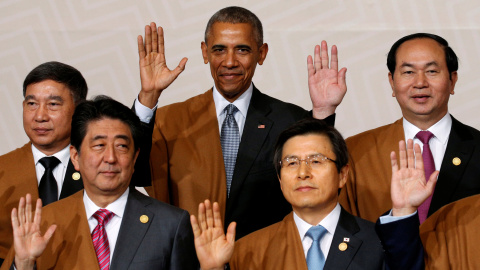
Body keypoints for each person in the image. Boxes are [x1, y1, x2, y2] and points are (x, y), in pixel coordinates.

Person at [133, 6, 347, 239]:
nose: (230, 61)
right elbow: (135, 173)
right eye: (219, 50)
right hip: (189, 258)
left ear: (261, 53)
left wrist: (324, 112)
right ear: (205, 53)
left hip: (265, 258)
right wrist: (148, 96)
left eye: (242, 50)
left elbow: (320, 182)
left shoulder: (291, 120)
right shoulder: (169, 120)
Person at [191, 119, 428, 270]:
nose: (303, 173)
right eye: (291, 163)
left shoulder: (378, 242)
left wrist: (404, 210)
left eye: (316, 161)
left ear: (343, 174)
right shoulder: (247, 250)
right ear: (280, 178)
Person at [1, 96, 198, 270]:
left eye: (121, 146)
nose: (110, 158)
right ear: (75, 157)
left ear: (135, 156)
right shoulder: (44, 222)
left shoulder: (171, 223)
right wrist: (24, 265)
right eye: (99, 145)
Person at [339, 33, 480, 223]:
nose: (420, 83)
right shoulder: (357, 150)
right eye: (408, 72)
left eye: (431, 71)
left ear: (452, 80)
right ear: (392, 82)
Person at [0, 62, 87, 265]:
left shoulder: (98, 168)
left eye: (53, 104)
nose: (40, 116)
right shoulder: (4, 170)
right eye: (32, 104)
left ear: (79, 109)